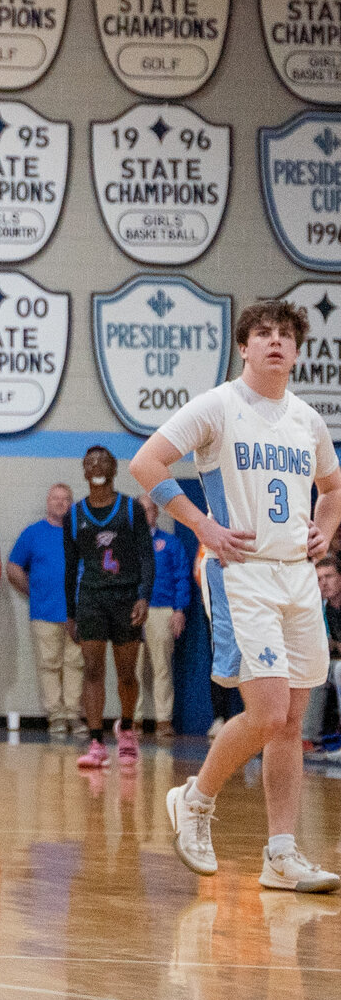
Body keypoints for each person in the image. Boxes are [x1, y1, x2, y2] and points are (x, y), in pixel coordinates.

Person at [139, 298, 341, 893]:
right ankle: (195, 799)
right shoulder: (218, 406)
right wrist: (201, 525)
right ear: (244, 346)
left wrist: (324, 532)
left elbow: (332, 488)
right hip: (242, 572)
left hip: (297, 578)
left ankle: (280, 854)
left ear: (298, 352)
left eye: (286, 335)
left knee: (290, 724)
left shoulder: (308, 420)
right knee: (269, 710)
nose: (275, 342)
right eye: (263, 333)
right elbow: (147, 463)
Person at [64, 446, 155, 769]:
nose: (97, 465)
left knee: (127, 672)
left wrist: (144, 595)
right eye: (90, 462)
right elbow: (70, 567)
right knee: (91, 669)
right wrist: (71, 613)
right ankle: (96, 741)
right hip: (91, 598)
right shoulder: (73, 515)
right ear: (84, 472)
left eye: (103, 461)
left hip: (126, 597)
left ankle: (127, 731)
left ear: (114, 469)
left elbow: (146, 556)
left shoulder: (131, 509)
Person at [6, 484, 84, 735]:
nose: (61, 503)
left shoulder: (81, 533)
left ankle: (73, 713)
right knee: (48, 664)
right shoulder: (33, 533)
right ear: (48, 502)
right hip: (44, 612)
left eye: (66, 499)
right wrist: (33, 591)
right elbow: (13, 567)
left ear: (72, 504)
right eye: (56, 498)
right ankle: (56, 716)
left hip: (78, 612)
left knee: (76, 663)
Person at [137, 494, 195, 740]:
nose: (145, 514)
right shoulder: (124, 545)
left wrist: (179, 609)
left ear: (156, 513)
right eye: (140, 510)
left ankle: (163, 720)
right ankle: (134, 720)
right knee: (132, 668)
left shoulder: (170, 543)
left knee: (161, 668)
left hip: (162, 610)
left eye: (149, 510)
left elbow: (183, 577)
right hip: (132, 611)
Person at [304, 557, 341, 748]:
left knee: (339, 670)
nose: (324, 583)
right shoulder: (319, 608)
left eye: (329, 576)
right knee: (316, 670)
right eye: (319, 579)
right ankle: (308, 738)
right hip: (332, 662)